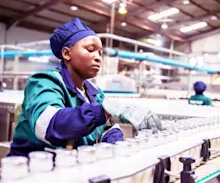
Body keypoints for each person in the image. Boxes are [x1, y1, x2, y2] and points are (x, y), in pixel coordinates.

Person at [9, 18, 162, 157]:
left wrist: (113, 147)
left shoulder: (95, 93)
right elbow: (49, 124)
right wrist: (103, 111)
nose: (98, 57)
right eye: (90, 49)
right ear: (66, 53)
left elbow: (108, 128)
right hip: (31, 170)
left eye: (100, 52)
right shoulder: (44, 82)